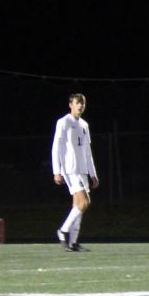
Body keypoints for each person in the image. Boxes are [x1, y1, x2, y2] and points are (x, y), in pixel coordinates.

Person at [52, 93, 97, 252]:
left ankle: (73, 242)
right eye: (78, 103)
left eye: (83, 103)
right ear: (70, 104)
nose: (81, 106)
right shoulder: (64, 122)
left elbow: (87, 150)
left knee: (80, 204)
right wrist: (57, 170)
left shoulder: (84, 125)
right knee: (84, 203)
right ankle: (63, 231)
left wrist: (93, 173)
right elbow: (56, 147)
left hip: (82, 169)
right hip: (70, 169)